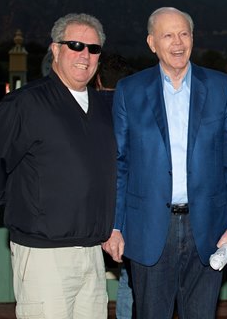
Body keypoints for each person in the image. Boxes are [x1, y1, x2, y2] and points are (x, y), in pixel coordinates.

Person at [102, 7, 227, 319]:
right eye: (168, 35)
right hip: (148, 229)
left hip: (208, 229)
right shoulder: (130, 91)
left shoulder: (222, 88)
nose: (178, 42)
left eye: (184, 33)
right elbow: (120, 164)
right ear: (152, 43)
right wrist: (114, 225)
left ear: (193, 38)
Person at [0, 13, 116, 319]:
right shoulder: (23, 104)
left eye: (93, 49)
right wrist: (23, 201)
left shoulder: (102, 109)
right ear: (54, 50)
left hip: (93, 254)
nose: (85, 55)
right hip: (44, 254)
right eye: (75, 45)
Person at [95, 53, 135, 319]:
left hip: (93, 207)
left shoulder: (87, 107)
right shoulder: (135, 110)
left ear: (97, 79)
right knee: (130, 277)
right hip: (129, 206)